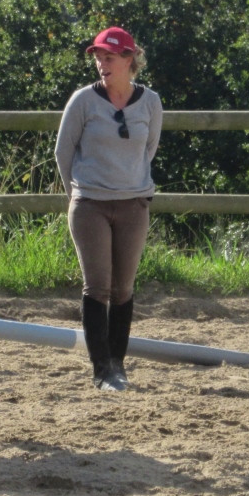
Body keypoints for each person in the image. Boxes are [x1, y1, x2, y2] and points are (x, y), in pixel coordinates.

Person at [54, 26, 162, 391]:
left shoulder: (150, 102)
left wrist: (132, 186)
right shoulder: (83, 100)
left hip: (133, 205)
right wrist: (77, 194)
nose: (102, 64)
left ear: (130, 60)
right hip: (91, 205)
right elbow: (63, 152)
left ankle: (118, 364)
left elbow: (149, 150)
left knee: (124, 288)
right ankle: (101, 370)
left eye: (109, 57)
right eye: (98, 58)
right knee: (97, 286)